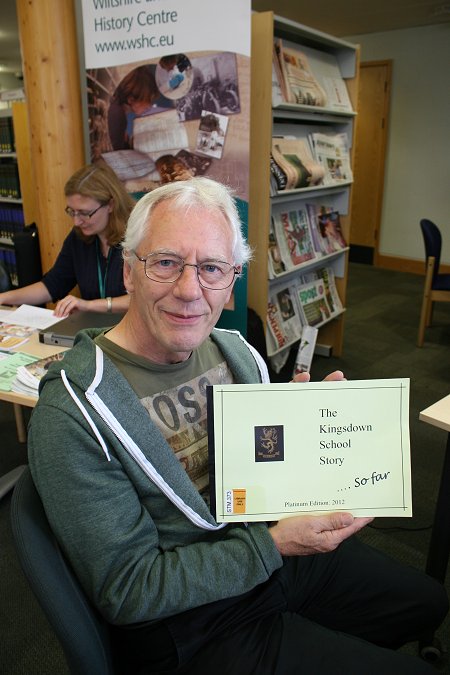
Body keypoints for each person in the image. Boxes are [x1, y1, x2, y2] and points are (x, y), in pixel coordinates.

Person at [28, 177, 447, 674]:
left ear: (231, 282)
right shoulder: (73, 411)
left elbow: (256, 480)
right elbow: (130, 590)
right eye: (165, 262)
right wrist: (273, 545)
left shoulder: (236, 352)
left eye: (211, 268)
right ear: (130, 272)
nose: (190, 290)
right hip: (191, 621)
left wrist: (300, 430)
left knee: (428, 601)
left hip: (263, 556)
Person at [0, 163, 135, 317]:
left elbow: (145, 298)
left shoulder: (139, 237)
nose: (76, 222)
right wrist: (5, 297)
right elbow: (53, 285)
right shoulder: (78, 237)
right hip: (93, 331)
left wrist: (89, 305)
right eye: (72, 212)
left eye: (84, 213)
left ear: (111, 204)